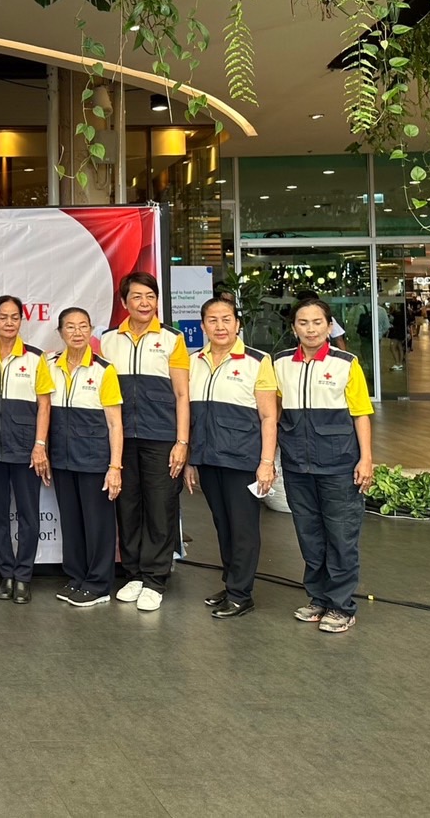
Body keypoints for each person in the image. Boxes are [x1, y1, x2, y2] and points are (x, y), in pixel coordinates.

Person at [273, 296, 375, 634]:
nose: (311, 329)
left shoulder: (346, 363)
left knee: (341, 537)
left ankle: (341, 606)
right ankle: (318, 598)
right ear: (294, 328)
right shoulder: (281, 363)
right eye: (303, 323)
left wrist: (366, 458)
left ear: (329, 327)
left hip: (339, 465)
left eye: (317, 322)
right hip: (297, 466)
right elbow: (274, 411)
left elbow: (361, 413)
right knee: (309, 535)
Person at [99, 271, 190, 613]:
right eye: (137, 297)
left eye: (150, 297)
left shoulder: (172, 339)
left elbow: (182, 394)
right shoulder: (108, 340)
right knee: (128, 505)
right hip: (122, 439)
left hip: (161, 437)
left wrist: (182, 441)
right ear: (124, 303)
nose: (144, 303)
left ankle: (155, 579)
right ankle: (134, 573)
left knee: (160, 507)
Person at [188, 295, 277, 620]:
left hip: (243, 459)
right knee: (223, 525)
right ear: (203, 326)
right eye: (212, 320)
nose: (220, 326)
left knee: (243, 528)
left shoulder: (257, 361)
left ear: (237, 324)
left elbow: (269, 416)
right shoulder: (194, 361)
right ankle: (231, 584)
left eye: (226, 319)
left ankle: (241, 594)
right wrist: (190, 460)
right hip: (208, 458)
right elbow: (190, 414)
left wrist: (266, 463)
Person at [44, 307, 123, 608]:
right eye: (70, 327)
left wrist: (114, 466)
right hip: (62, 459)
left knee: (98, 524)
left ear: (91, 330)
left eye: (83, 326)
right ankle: (76, 576)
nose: (77, 332)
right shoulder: (50, 365)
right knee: (72, 522)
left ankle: (98, 584)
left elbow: (115, 424)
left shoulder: (104, 370)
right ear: (60, 332)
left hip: (94, 460)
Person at [0, 295, 52, 604]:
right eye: (3, 317)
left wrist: (39, 445)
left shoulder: (35, 358)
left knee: (28, 516)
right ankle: (6, 573)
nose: (9, 323)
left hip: (25, 450)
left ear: (22, 320)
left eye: (14, 317)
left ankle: (23, 576)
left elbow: (44, 405)